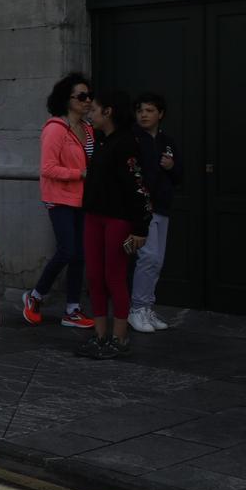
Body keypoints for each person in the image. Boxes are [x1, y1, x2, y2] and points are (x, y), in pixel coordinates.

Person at [79, 89, 151, 360]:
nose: (90, 114)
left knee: (115, 277)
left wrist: (140, 228)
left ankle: (119, 337)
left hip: (118, 219)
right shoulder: (101, 141)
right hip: (94, 216)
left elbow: (138, 187)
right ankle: (100, 335)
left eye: (94, 109)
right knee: (95, 276)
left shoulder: (126, 143)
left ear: (108, 111)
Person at [21, 72, 95, 330]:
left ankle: (72, 309)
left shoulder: (87, 128)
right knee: (68, 250)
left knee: (79, 255)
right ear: (67, 99)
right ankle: (36, 296)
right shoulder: (55, 129)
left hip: (83, 199)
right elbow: (48, 168)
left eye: (89, 96)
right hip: (59, 198)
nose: (87, 101)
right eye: (82, 96)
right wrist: (81, 173)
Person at [129, 93, 182, 335]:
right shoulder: (133, 140)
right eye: (141, 110)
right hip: (142, 208)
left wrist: (172, 167)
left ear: (160, 114)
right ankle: (137, 308)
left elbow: (180, 176)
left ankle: (147, 306)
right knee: (148, 258)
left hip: (162, 207)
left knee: (157, 261)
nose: (144, 115)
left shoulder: (167, 142)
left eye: (150, 110)